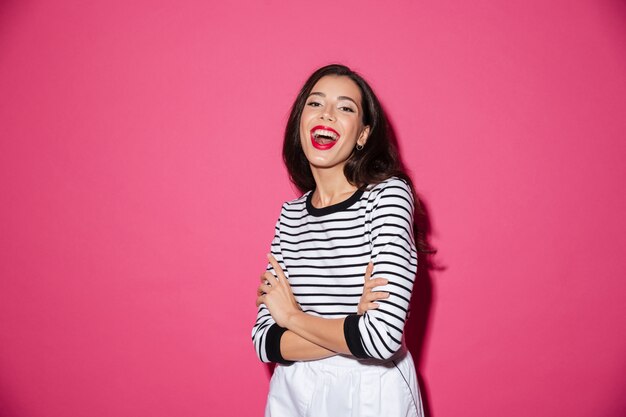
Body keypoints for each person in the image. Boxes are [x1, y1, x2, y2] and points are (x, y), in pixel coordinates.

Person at [252, 64, 425, 417]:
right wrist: (352, 328)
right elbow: (264, 342)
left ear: (362, 134)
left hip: (371, 392)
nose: (327, 114)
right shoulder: (290, 215)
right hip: (293, 391)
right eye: (315, 104)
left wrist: (293, 317)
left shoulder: (388, 196)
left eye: (345, 108)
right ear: (301, 121)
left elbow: (380, 339)